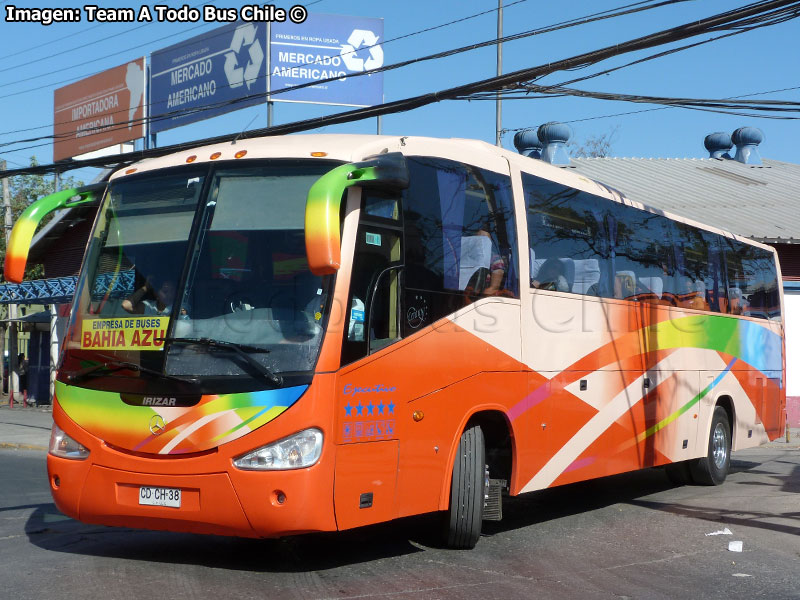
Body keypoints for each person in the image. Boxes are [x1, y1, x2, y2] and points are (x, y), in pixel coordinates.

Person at [123, 278, 187, 317]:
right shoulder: (149, 306)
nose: (169, 294)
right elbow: (126, 305)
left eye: (172, 291)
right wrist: (146, 287)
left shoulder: (180, 305)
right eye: (165, 291)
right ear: (156, 293)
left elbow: (183, 312)